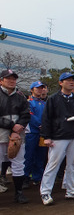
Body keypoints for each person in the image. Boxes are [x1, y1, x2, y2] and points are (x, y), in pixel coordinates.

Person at [40, 72, 74, 205]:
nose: (71, 82)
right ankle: (45, 192)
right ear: (61, 83)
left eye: (73, 80)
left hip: (73, 135)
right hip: (58, 136)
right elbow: (46, 118)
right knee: (53, 164)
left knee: (73, 163)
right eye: (67, 80)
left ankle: (70, 190)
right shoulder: (53, 99)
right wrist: (47, 137)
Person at [0, 69, 30, 203]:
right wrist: (12, 125)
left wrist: (17, 128)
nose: (12, 81)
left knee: (18, 164)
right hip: (1, 134)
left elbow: (26, 114)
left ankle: (19, 193)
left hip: (17, 135)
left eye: (14, 79)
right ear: (1, 80)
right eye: (8, 78)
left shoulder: (20, 96)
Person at [23, 81, 48, 189]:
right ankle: (25, 177)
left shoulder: (44, 103)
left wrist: (45, 125)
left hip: (42, 134)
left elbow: (48, 116)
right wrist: (40, 124)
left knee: (40, 156)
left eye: (41, 88)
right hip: (32, 133)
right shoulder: (28, 102)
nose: (40, 90)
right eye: (37, 88)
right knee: (28, 156)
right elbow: (31, 116)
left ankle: (38, 177)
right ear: (32, 90)